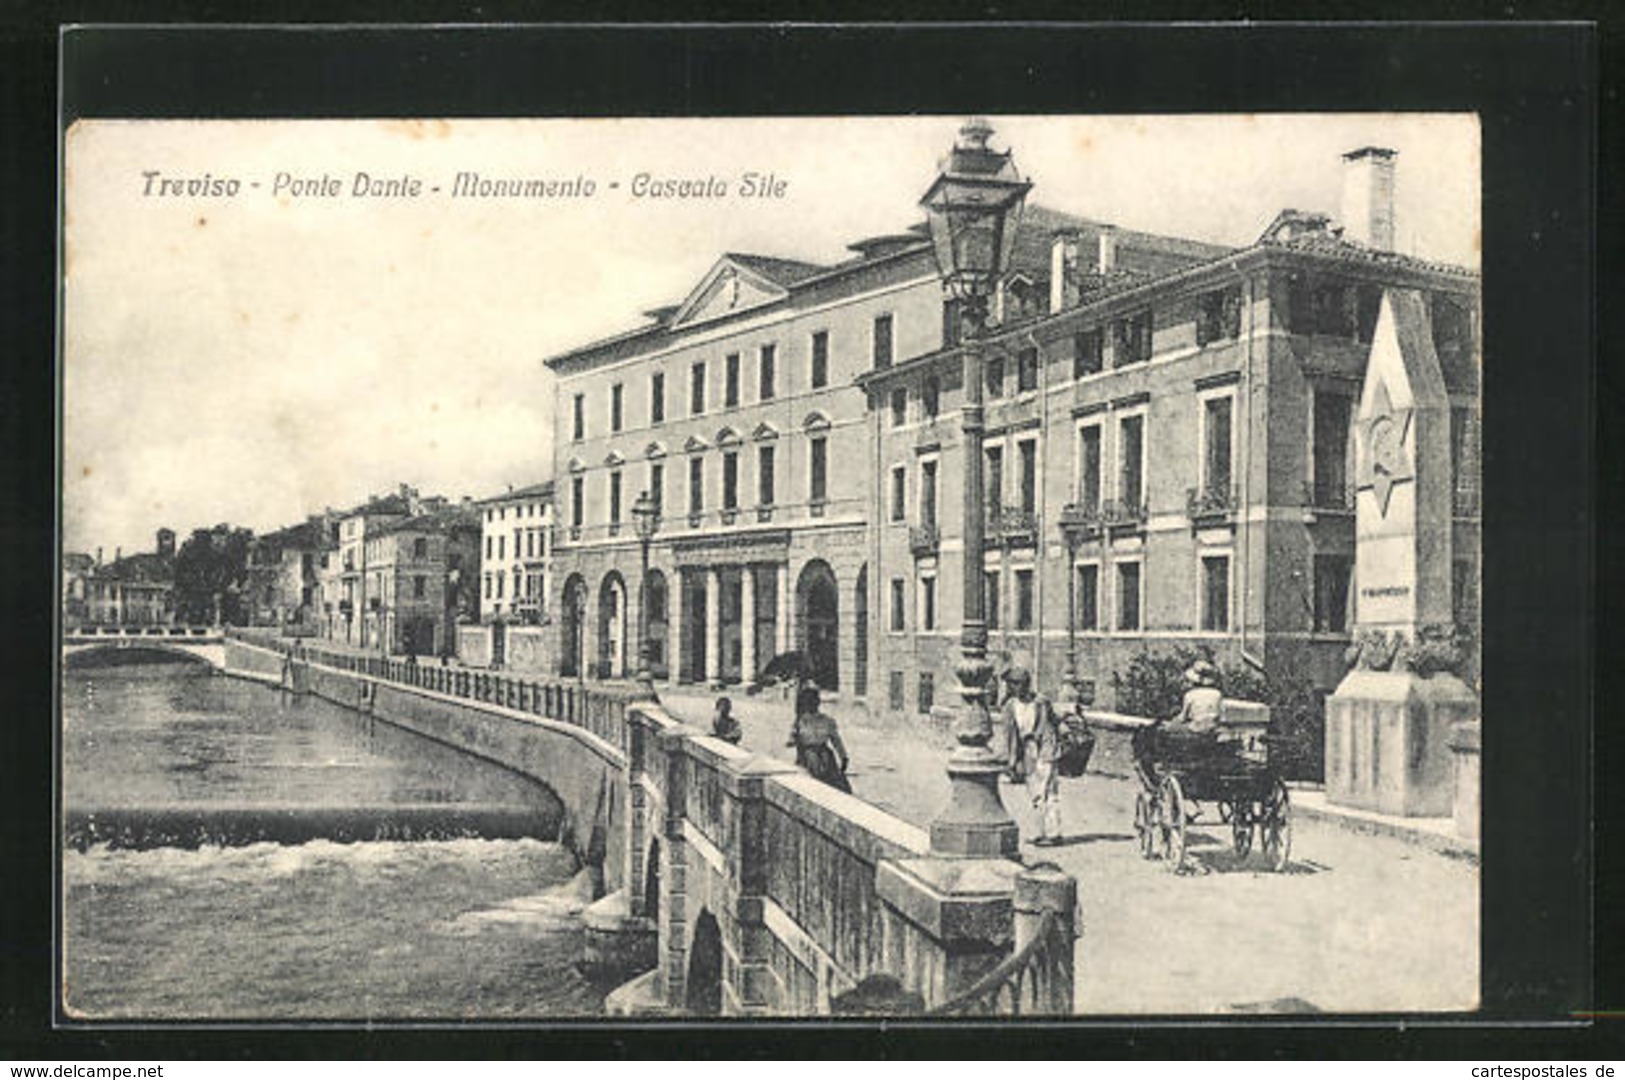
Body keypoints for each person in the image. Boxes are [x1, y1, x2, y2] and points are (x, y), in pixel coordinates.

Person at [1000, 667, 1063, 846]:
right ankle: (1044, 832)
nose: (1015, 688)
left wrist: (1044, 745)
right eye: (1012, 685)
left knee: (1047, 792)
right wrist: (1012, 760)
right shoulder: (1011, 706)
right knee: (1036, 793)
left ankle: (1051, 834)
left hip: (1045, 750)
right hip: (1028, 752)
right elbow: (1010, 734)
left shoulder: (1041, 701)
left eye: (1018, 684)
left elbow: (1047, 725)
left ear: (1026, 684)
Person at [788, 683, 850, 793]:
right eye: (809, 702)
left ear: (818, 702)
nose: (812, 704)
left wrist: (843, 757)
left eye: (814, 701)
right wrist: (794, 740)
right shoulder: (800, 721)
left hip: (825, 756)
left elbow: (836, 741)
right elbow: (792, 740)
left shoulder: (827, 721)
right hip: (807, 757)